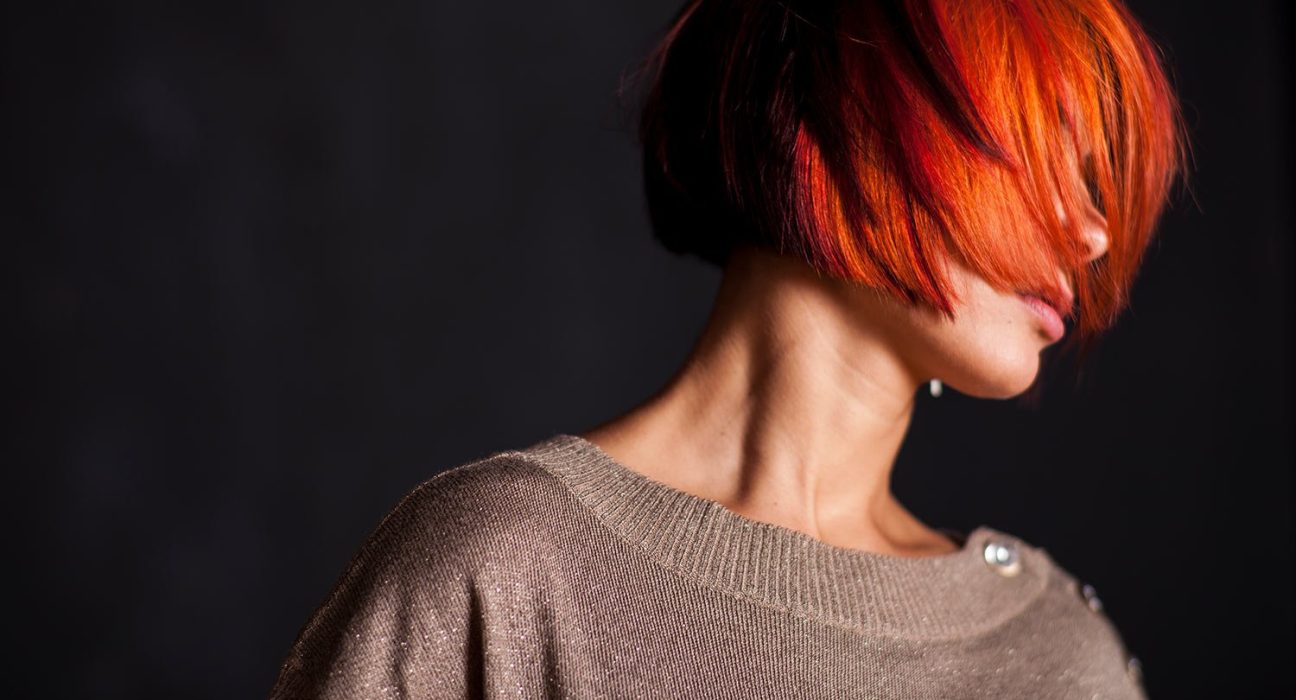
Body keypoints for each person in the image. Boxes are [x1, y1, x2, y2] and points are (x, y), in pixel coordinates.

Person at [270, 0, 1185, 697]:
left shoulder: (1058, 657)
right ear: (855, 102)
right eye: (1043, 149)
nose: (1093, 233)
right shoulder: (498, 578)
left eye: (1094, 176)